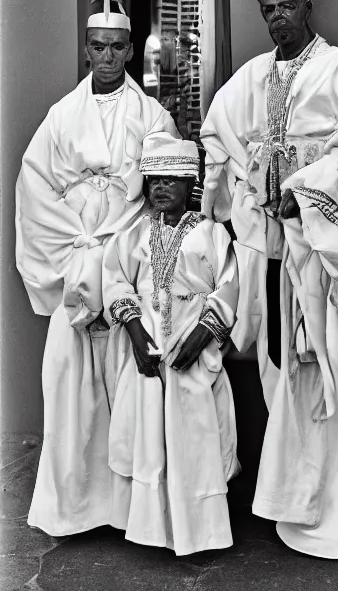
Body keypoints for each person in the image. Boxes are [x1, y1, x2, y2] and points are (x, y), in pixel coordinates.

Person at [200, 0, 338, 559]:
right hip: (267, 252)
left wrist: (303, 193)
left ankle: (331, 514)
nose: (277, 19)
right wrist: (243, 184)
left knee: (328, 372)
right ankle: (291, 504)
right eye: (267, 10)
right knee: (281, 370)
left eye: (286, 7)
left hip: (319, 254)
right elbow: (216, 132)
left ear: (310, 4)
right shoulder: (252, 76)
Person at [15, 0, 179, 537]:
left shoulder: (153, 114)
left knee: (128, 385)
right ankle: (74, 507)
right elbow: (35, 187)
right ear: (87, 51)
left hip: (127, 262)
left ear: (130, 50)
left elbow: (166, 190)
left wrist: (124, 253)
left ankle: (126, 510)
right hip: (78, 260)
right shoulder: (61, 117)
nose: (107, 57)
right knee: (69, 384)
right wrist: (77, 247)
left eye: (116, 47)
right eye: (98, 48)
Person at [102, 132, 239, 555]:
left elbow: (229, 286)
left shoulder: (212, 234)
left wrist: (203, 335)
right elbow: (116, 279)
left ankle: (199, 530)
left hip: (191, 355)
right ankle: (149, 527)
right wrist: (133, 331)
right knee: (148, 435)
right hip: (148, 355)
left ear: (189, 184)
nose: (161, 187)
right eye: (155, 180)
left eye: (171, 180)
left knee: (194, 439)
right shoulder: (132, 235)